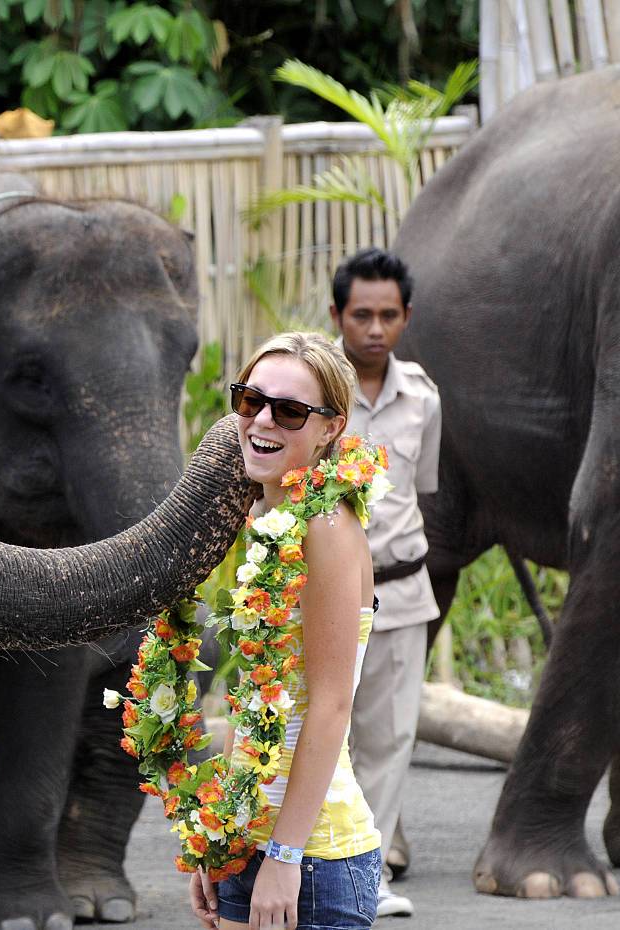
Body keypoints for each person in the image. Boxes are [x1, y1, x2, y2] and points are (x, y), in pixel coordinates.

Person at [188, 332, 382, 930]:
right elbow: (253, 699)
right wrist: (218, 837)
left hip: (314, 857)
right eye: (251, 400)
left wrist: (284, 856)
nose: (264, 419)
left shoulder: (324, 524)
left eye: (291, 410)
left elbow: (328, 707)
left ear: (331, 427)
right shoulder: (266, 517)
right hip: (252, 842)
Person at [329, 247, 441, 919]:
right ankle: (313, 865)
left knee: (390, 740)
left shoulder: (422, 397)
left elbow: (417, 491)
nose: (375, 329)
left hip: (401, 590)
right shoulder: (312, 396)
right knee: (318, 729)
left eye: (388, 316)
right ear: (337, 315)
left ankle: (364, 877)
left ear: (406, 318)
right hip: (323, 594)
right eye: (361, 315)